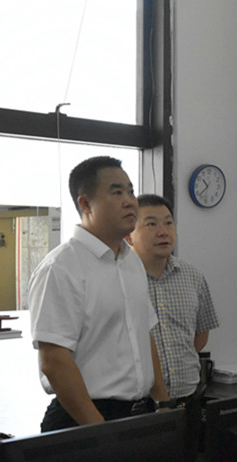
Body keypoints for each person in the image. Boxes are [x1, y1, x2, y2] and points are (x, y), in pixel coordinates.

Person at [29, 156, 173, 432]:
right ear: (85, 204)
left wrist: (163, 402)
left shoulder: (131, 261)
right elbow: (54, 361)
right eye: (117, 193)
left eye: (131, 191)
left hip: (140, 412)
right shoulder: (61, 267)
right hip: (84, 418)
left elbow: (144, 334)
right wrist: (100, 431)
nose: (130, 201)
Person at [127, 193, 220, 462]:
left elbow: (200, 335)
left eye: (168, 223)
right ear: (129, 235)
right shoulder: (120, 279)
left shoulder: (193, 276)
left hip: (187, 403)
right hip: (136, 408)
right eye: (151, 224)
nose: (163, 231)